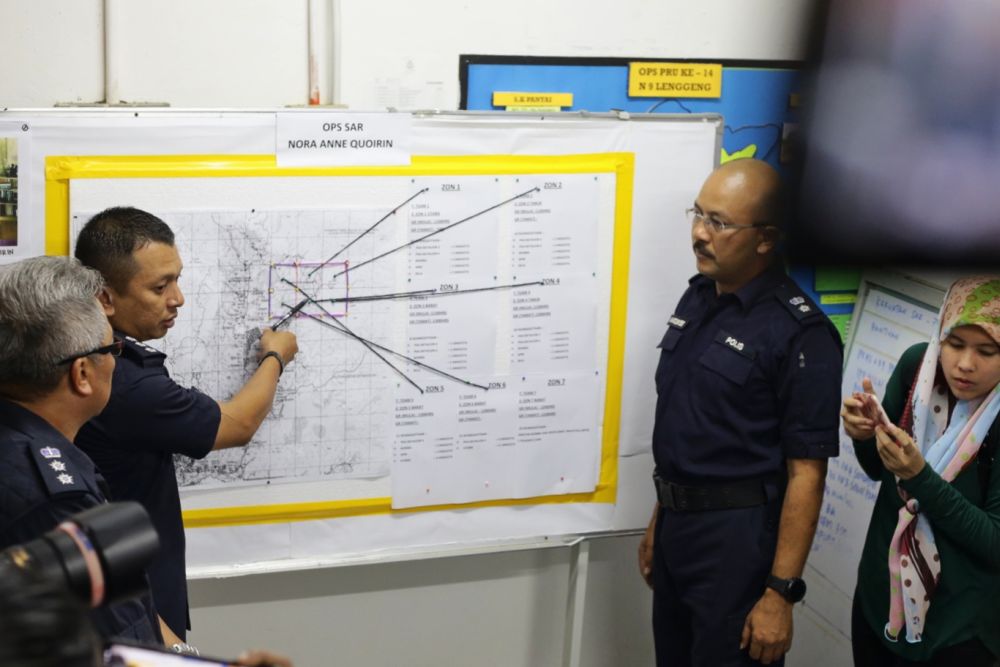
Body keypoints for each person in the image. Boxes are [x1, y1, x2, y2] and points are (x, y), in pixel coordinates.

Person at [637, 159, 843, 666]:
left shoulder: (801, 334)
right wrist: (660, 519)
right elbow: (693, 427)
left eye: (720, 223)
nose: (699, 233)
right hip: (676, 532)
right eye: (699, 214)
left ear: (766, 240)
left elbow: (806, 474)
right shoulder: (699, 296)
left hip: (737, 544)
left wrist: (780, 593)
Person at [73, 207, 299, 643]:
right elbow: (238, 423)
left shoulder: (92, 356)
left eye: (177, 279)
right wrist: (275, 356)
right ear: (104, 297)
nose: (177, 298)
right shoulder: (121, 383)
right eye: (160, 287)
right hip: (129, 611)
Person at [0, 256, 161, 644]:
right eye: (113, 350)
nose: (116, 362)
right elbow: (121, 646)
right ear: (82, 374)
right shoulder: (55, 498)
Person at [841, 276, 1000, 666]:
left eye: (987, 351)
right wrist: (864, 433)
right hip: (879, 601)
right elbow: (879, 472)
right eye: (954, 343)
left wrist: (921, 478)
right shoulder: (919, 368)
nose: (964, 364)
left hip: (958, 631)